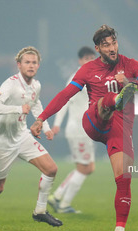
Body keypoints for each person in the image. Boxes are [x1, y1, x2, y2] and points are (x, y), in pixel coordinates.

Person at [31, 25, 138, 231]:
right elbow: (65, 95)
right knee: (105, 101)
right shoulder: (88, 69)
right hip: (94, 120)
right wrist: (41, 118)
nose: (112, 48)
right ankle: (115, 99)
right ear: (97, 48)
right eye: (106, 45)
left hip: (118, 128)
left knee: (123, 179)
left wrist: (131, 83)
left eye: (113, 43)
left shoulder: (129, 64)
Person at [0, 46, 62, 231]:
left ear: (38, 65)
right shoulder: (10, 84)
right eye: (27, 62)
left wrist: (45, 127)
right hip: (1, 141)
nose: (31, 65)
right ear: (19, 65)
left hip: (22, 136)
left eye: (34, 62)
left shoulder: (36, 85)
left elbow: (35, 104)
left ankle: (40, 211)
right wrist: (17, 109)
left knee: (51, 169)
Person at [48, 47, 96, 213]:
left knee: (88, 167)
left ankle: (58, 197)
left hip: (86, 129)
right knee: (84, 168)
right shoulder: (78, 78)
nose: (89, 60)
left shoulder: (93, 76)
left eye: (92, 57)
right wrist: (57, 124)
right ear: (80, 60)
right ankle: (62, 203)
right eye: (86, 58)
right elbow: (64, 100)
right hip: (79, 129)